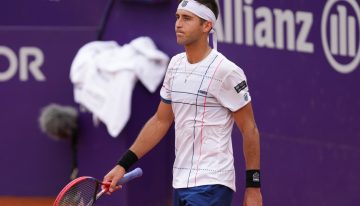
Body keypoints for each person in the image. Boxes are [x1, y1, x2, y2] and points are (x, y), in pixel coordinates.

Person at [103, 0, 263, 205]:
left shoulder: (227, 71)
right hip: (180, 181)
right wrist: (123, 165)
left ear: (207, 26)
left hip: (212, 183)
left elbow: (249, 129)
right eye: (177, 17)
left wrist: (253, 188)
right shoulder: (175, 65)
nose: (178, 23)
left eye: (187, 18)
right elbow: (161, 121)